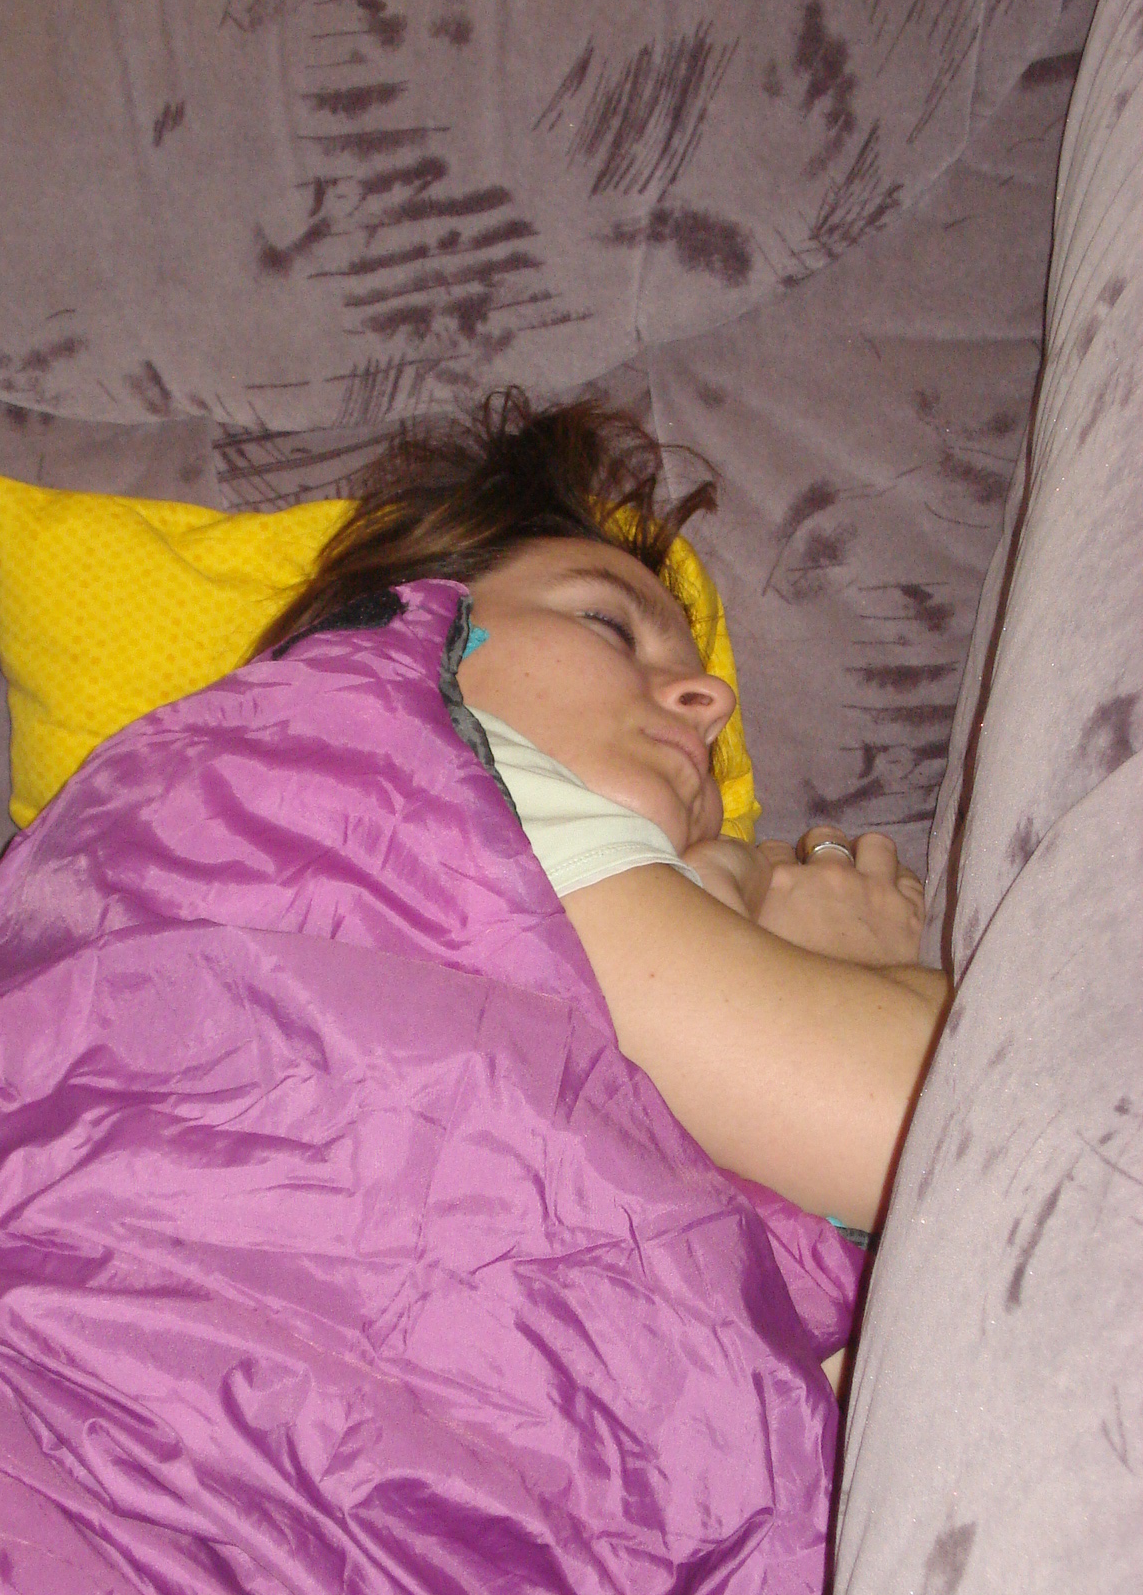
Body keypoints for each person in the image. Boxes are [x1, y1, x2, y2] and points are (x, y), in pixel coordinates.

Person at [259, 390, 950, 1248]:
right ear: (425, 630)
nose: (714, 699)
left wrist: (721, 913)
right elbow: (958, 1119)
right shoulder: (395, 750)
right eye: (609, 626)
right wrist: (850, 960)